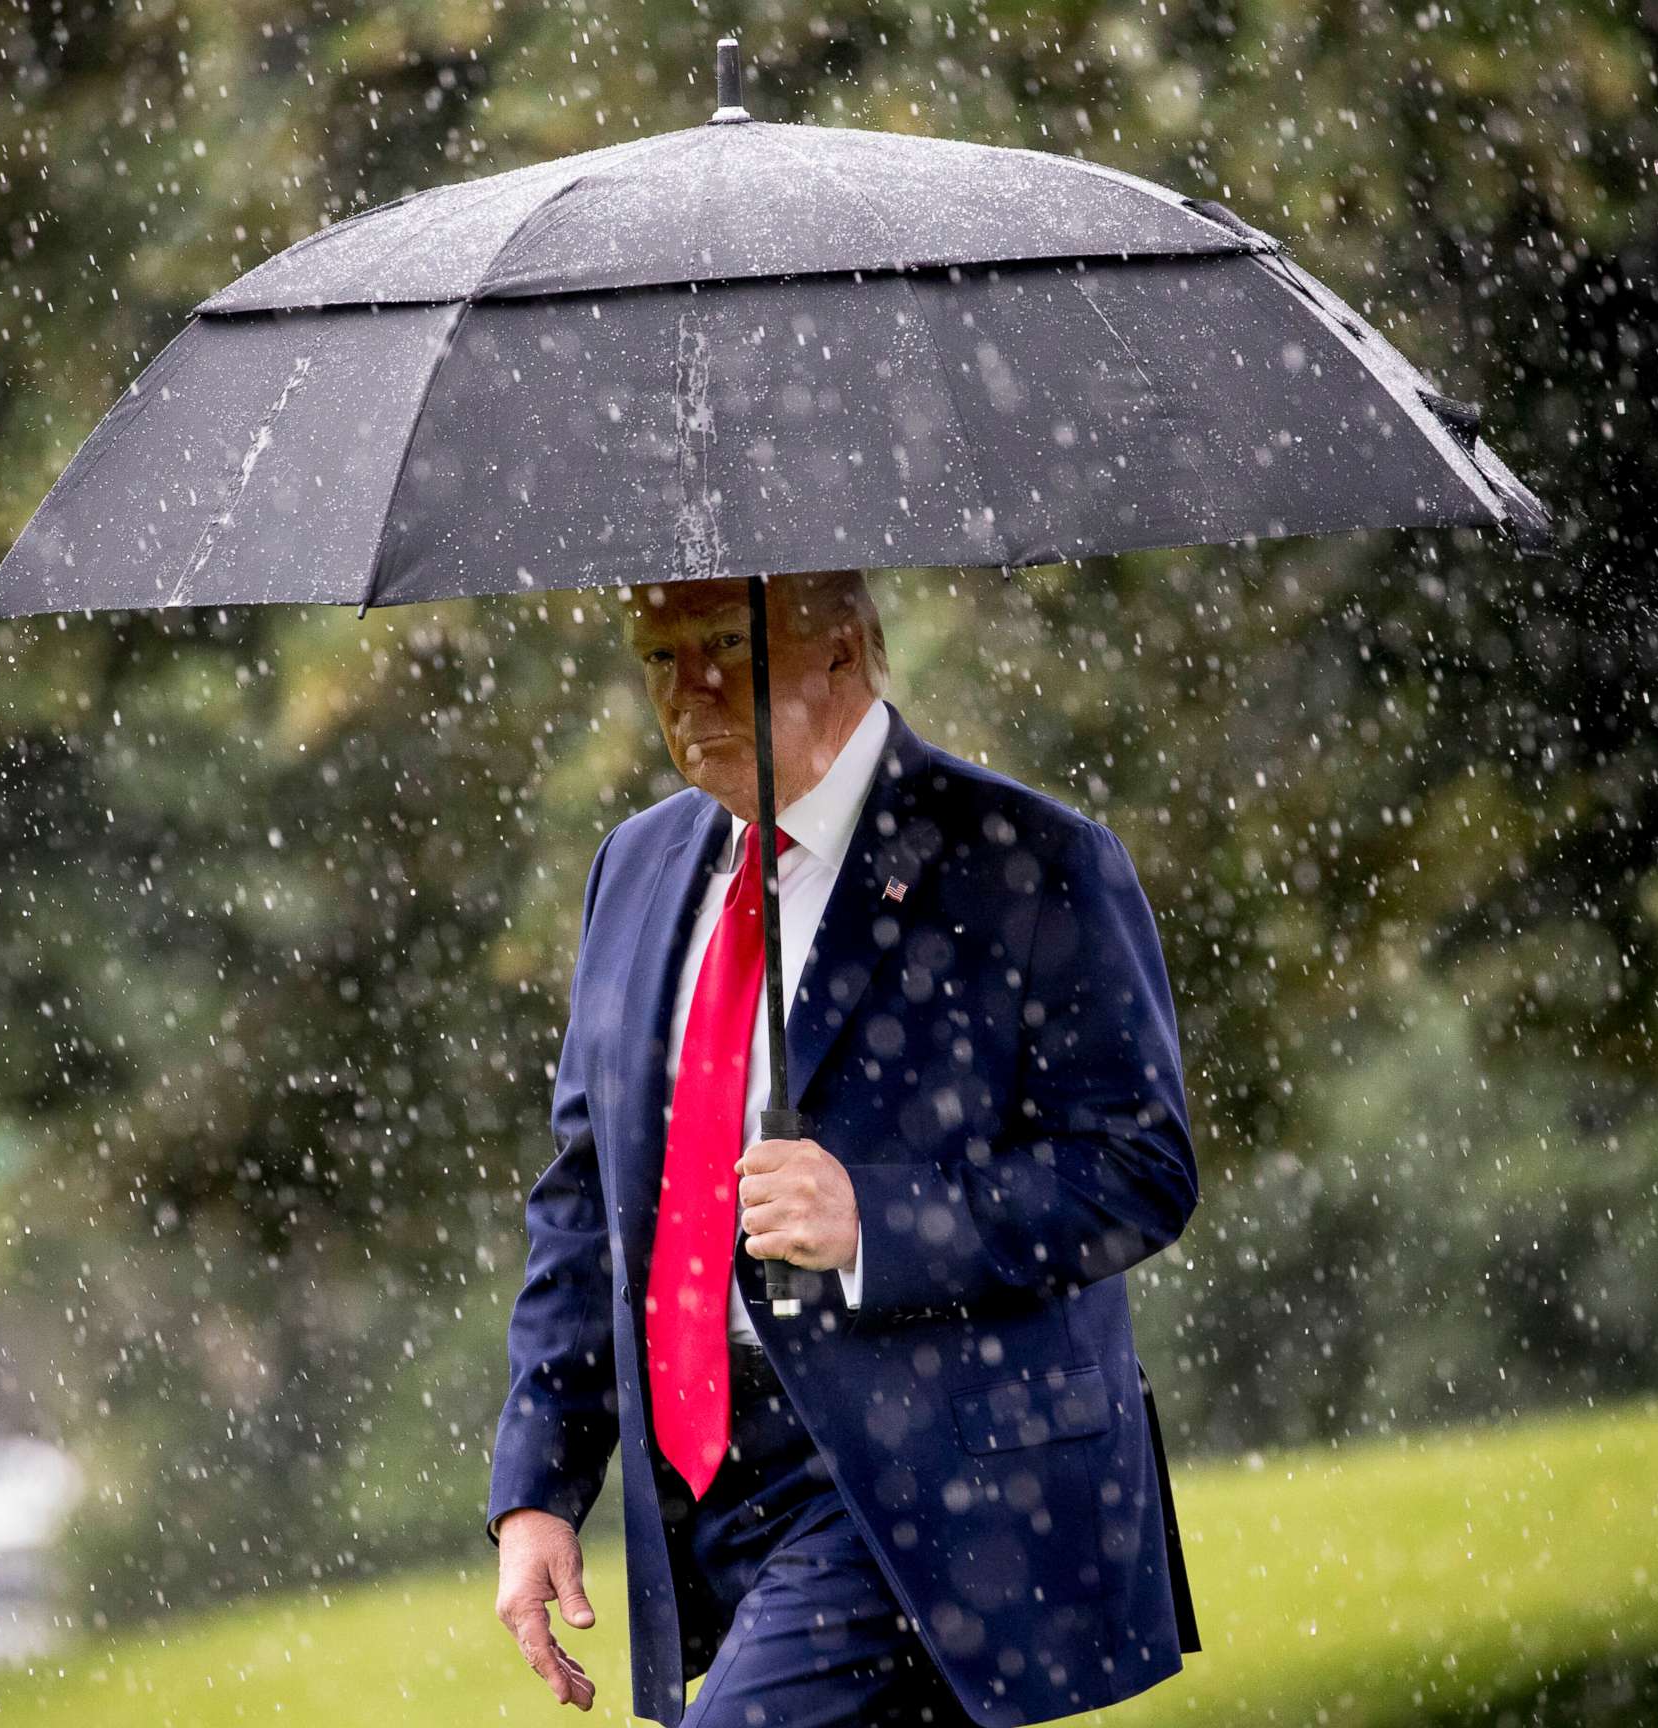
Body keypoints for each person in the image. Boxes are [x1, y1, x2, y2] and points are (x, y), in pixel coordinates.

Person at [489, 570, 1202, 1727]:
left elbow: (1139, 1169)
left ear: (843, 647)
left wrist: (880, 1219)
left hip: (936, 1479)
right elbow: (586, 1207)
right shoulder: (633, 870)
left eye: (725, 641)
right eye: (660, 656)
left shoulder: (1029, 857)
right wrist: (538, 1492)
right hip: (714, 1487)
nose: (691, 688)